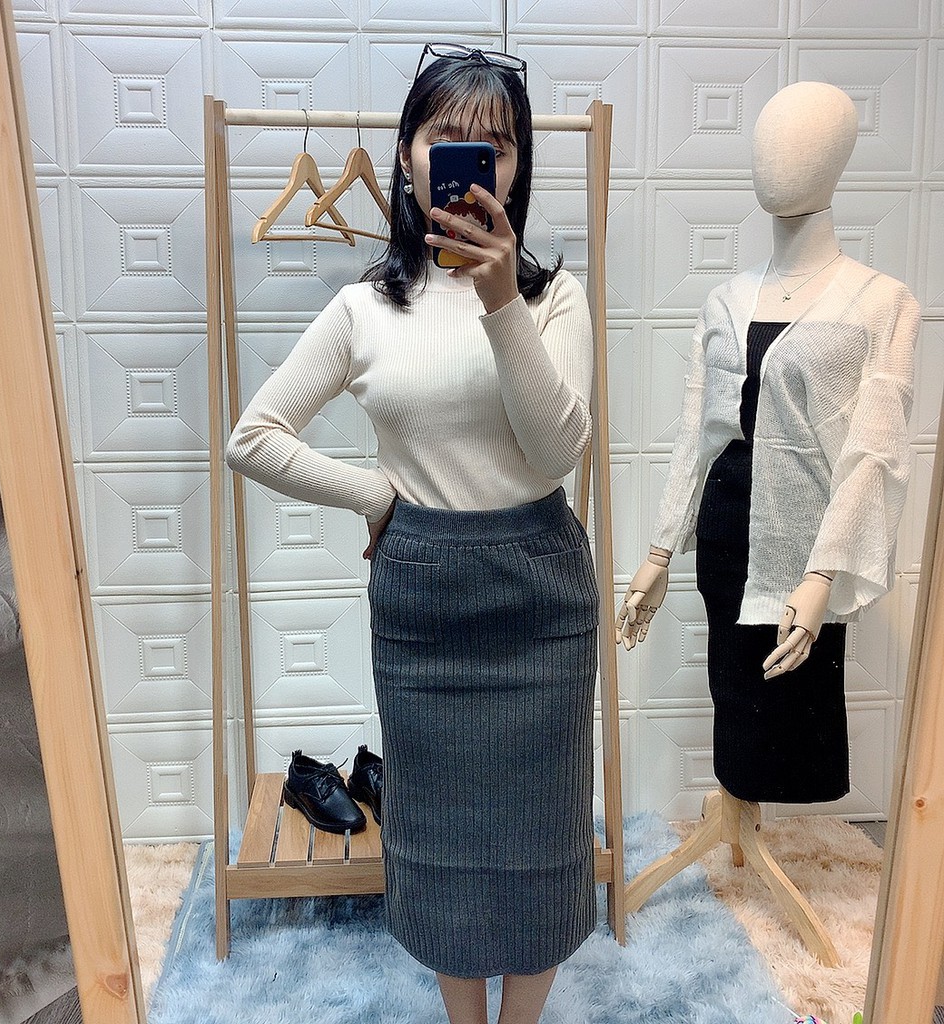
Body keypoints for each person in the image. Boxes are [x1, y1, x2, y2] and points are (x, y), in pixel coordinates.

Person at [226, 44, 599, 1024]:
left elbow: (556, 449)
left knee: (544, 836)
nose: (471, 161)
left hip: (541, 598)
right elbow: (252, 437)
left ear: (516, 168)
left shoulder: (554, 298)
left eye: (495, 146)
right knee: (437, 842)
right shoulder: (363, 309)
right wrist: (374, 496)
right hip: (424, 603)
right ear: (406, 155)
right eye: (447, 138)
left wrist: (498, 299)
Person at [615, 82, 919, 804]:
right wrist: (660, 551)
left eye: (802, 143)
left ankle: (773, 832)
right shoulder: (724, 300)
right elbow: (697, 435)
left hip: (807, 543)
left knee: (797, 715)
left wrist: (823, 576)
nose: (777, 161)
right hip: (726, 537)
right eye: (769, 143)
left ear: (838, 159)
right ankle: (735, 822)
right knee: (735, 702)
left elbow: (873, 456)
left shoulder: (882, 302)